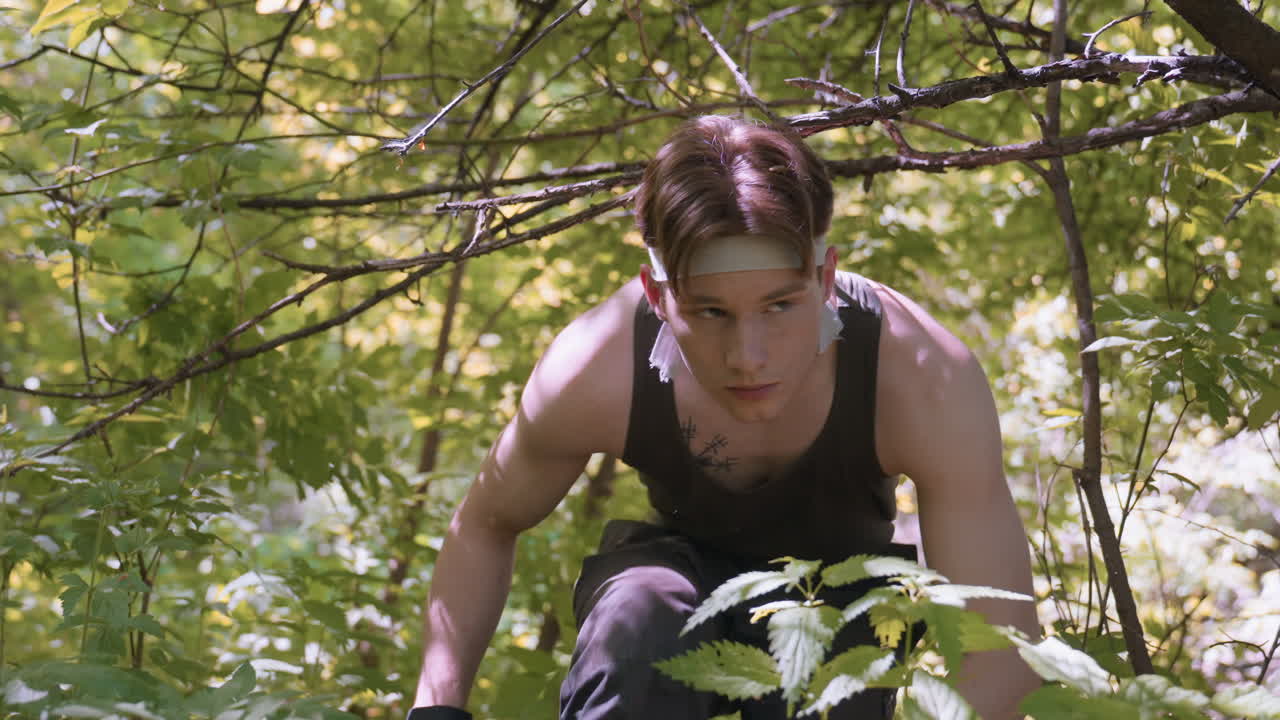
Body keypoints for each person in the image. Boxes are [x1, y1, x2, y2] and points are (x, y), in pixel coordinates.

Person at [407, 115, 1040, 720]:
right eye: (711, 312)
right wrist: (436, 707)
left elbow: (1002, 658)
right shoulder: (597, 368)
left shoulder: (920, 377)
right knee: (636, 621)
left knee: (832, 680)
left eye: (780, 305)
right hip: (674, 578)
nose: (748, 357)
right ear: (658, 296)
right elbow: (487, 523)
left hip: (843, 589)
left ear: (826, 278)